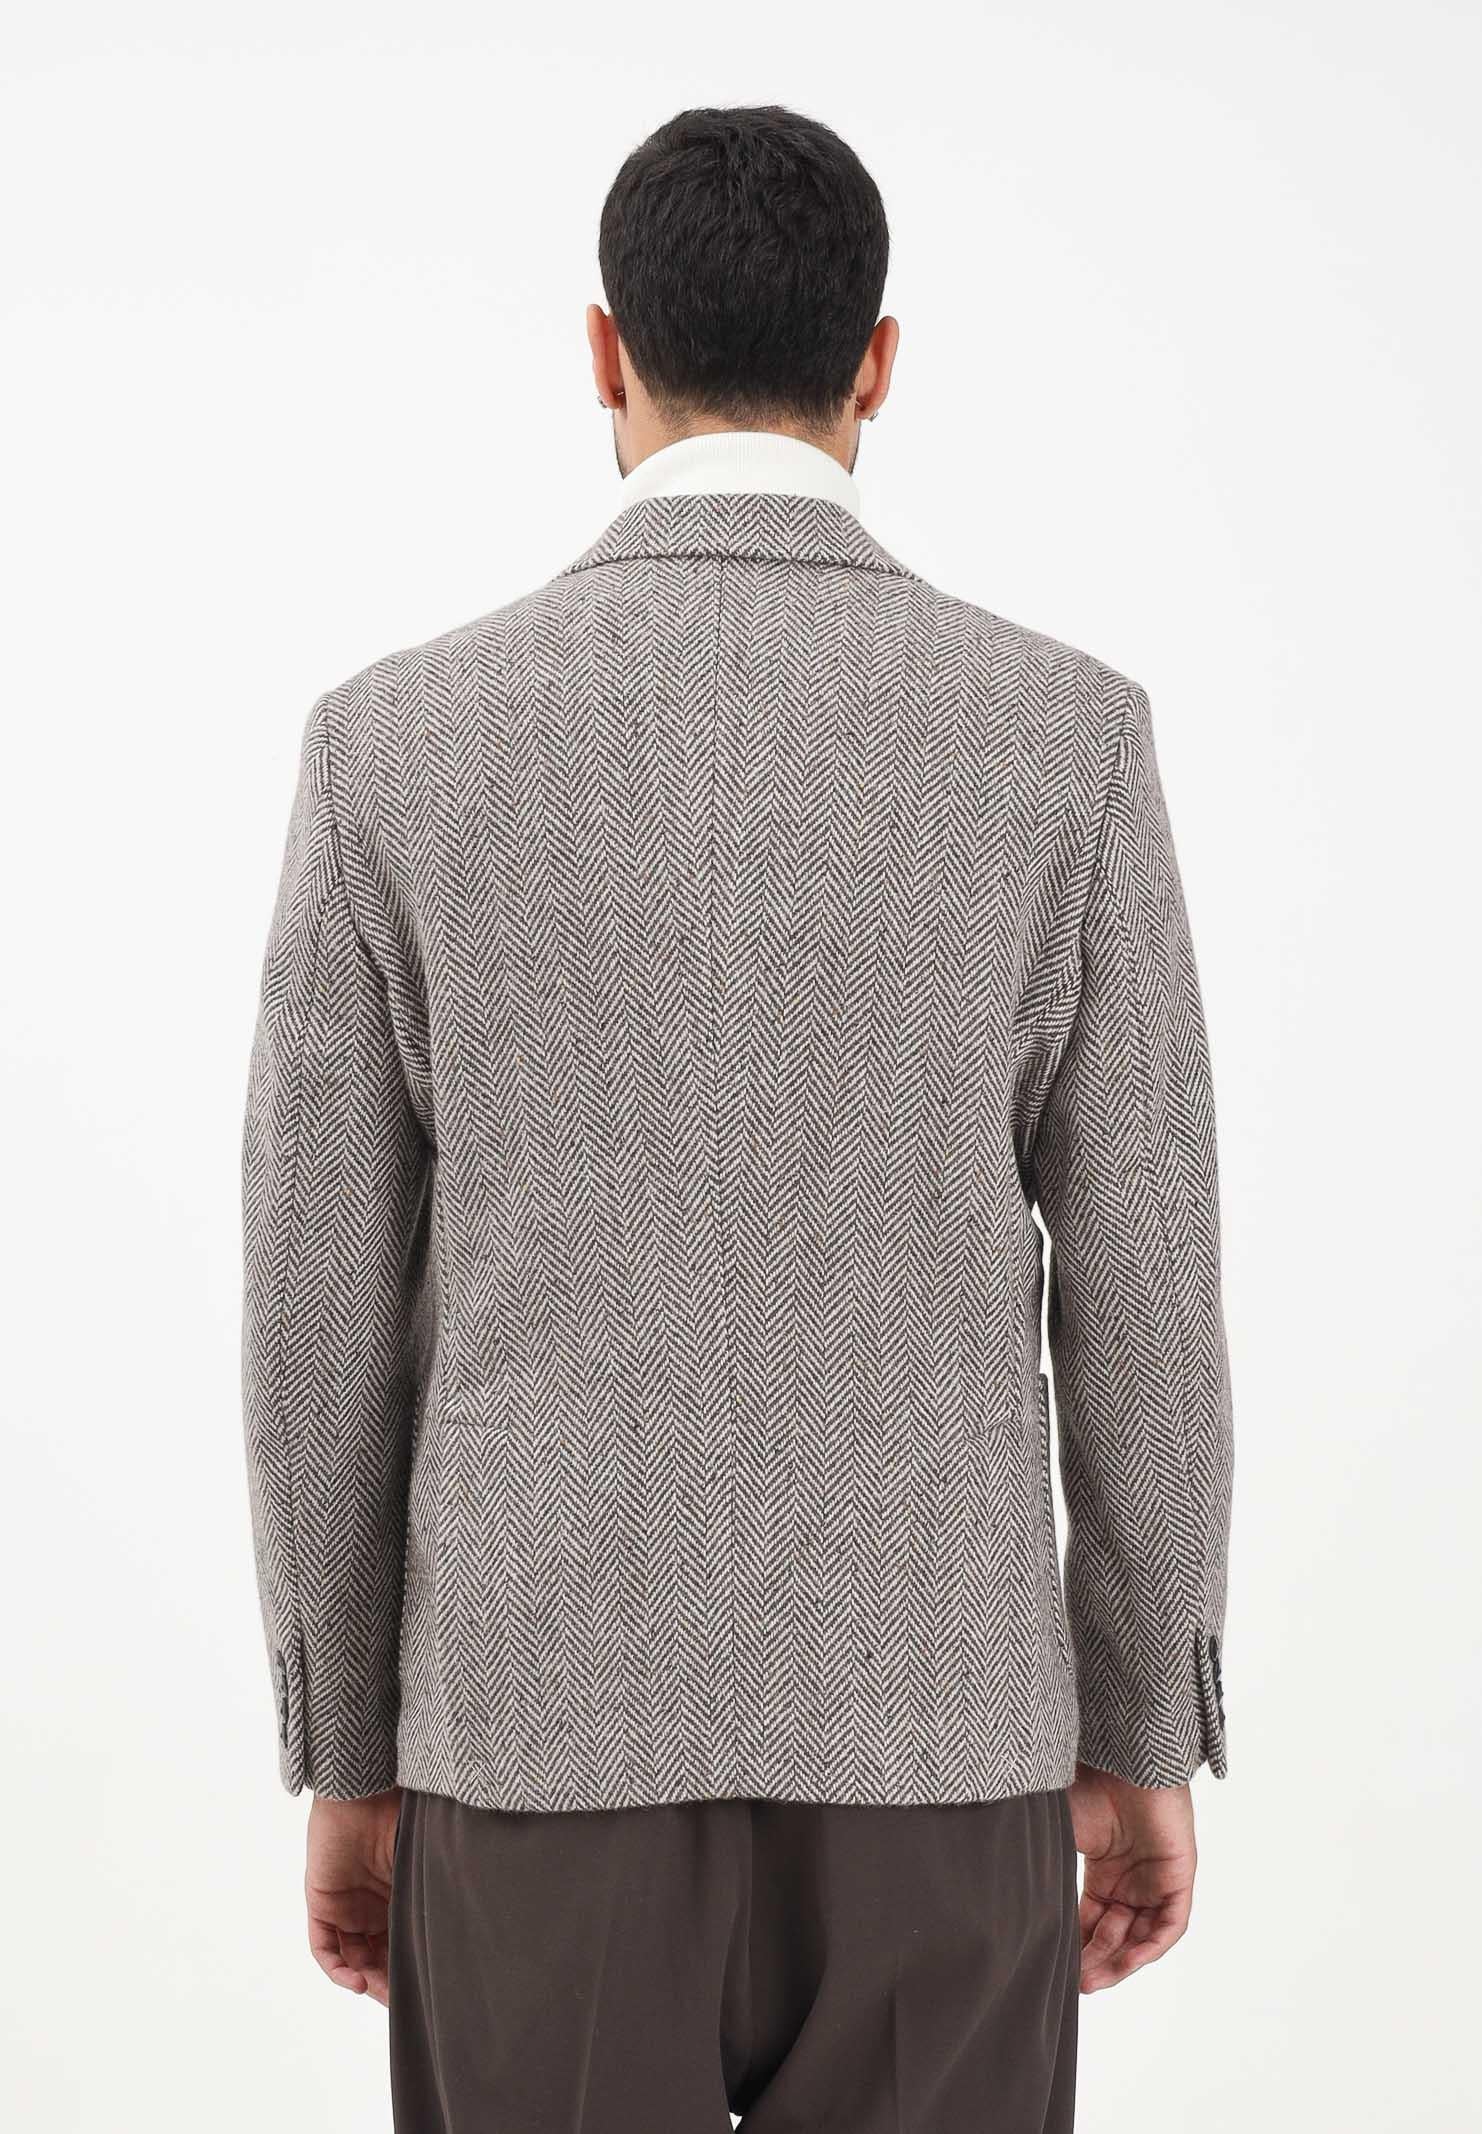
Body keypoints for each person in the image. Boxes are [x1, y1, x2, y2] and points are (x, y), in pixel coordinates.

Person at [241, 102, 1233, 2133]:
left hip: (528, 1752)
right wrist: (1144, 1721)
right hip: (942, 1746)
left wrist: (348, 1751)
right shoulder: (1065, 740)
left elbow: (312, 1318)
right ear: (879, 361)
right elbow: (1146, 1282)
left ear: (604, 352)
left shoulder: (390, 749)